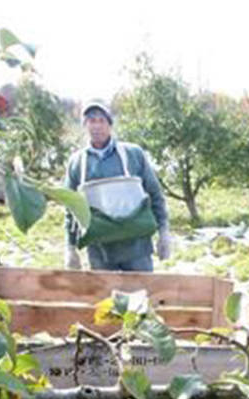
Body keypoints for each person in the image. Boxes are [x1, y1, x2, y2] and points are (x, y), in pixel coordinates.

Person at [63, 100, 170, 272]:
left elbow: (155, 194)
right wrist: (70, 247)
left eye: (101, 120)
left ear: (110, 125)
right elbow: (70, 207)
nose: (96, 126)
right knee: (106, 298)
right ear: (85, 125)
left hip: (137, 249)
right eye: (91, 121)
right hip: (99, 250)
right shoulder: (77, 163)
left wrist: (164, 231)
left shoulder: (133, 154)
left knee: (141, 296)